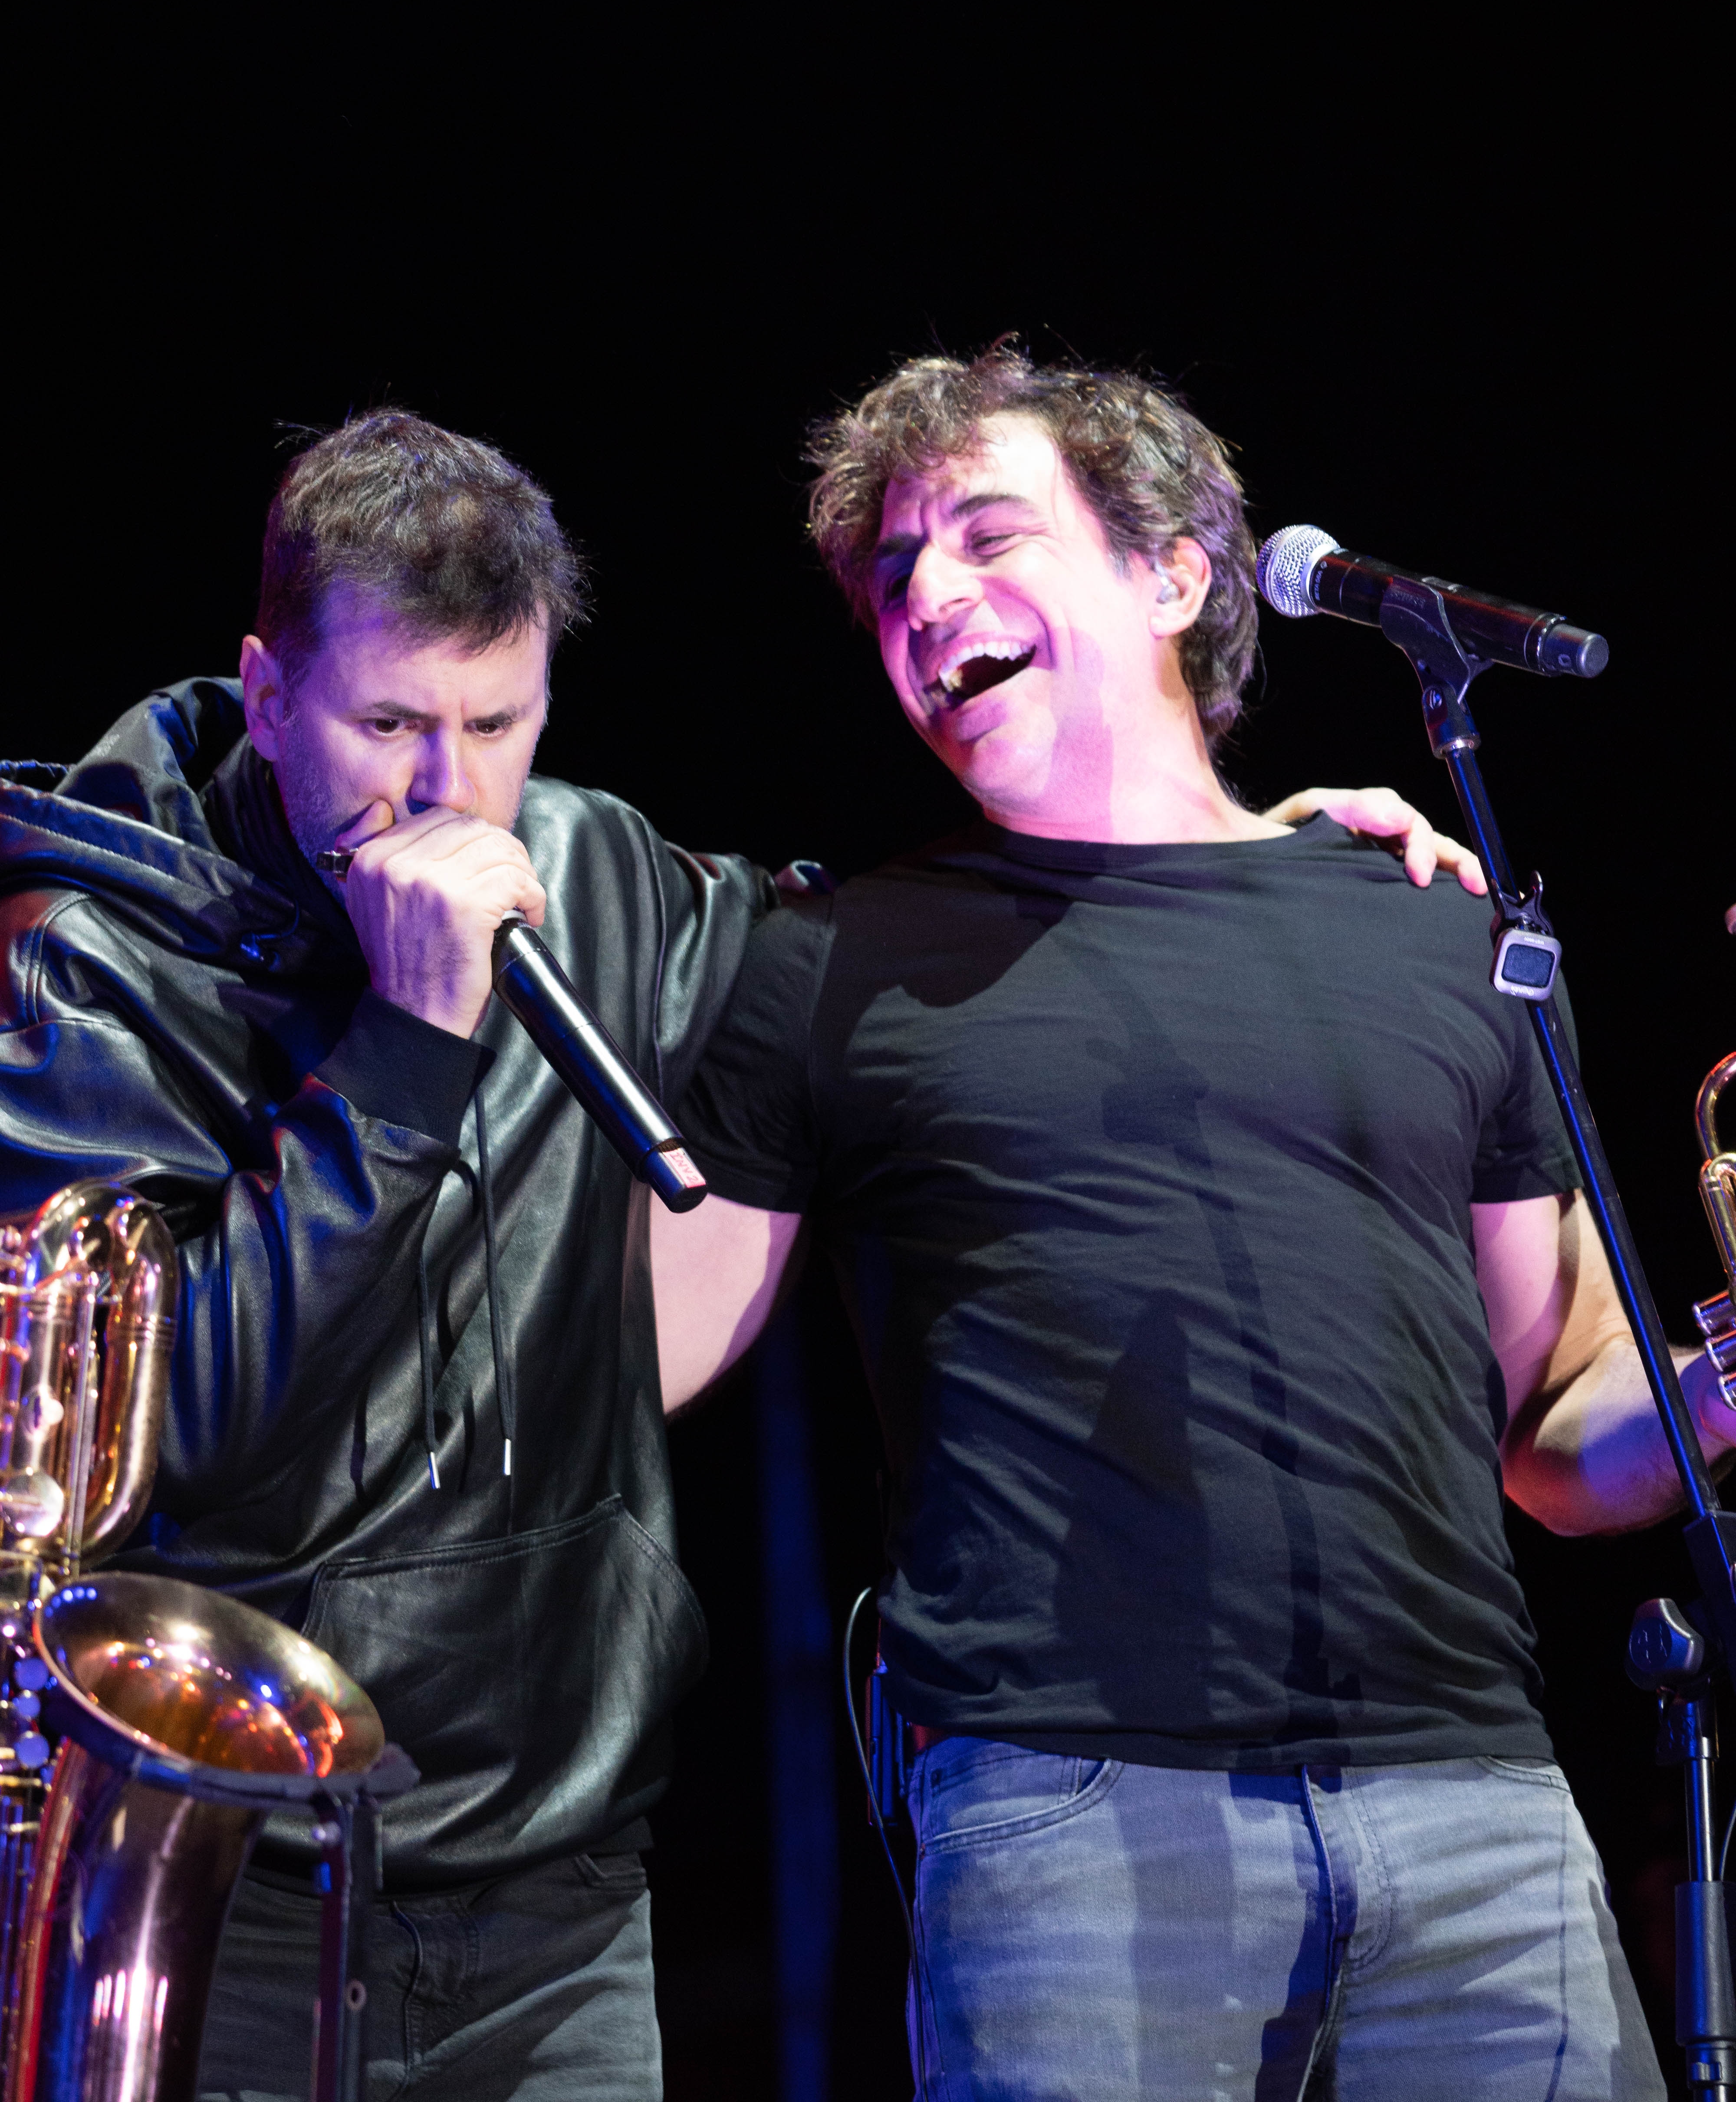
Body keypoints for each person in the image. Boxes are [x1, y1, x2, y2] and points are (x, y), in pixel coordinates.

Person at [0, 400, 1479, 2097]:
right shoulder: (91, 962)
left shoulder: (595, 875)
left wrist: (1228, 860)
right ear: (270, 696)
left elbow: (891, 973)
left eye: (495, 725)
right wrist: (403, 1055)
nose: (445, 790)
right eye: (386, 724)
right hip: (225, 1890)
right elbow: (153, 1429)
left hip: (554, 1901)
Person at [656, 345, 1716, 2100]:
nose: (927, 600)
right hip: (1072, 1817)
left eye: (988, 536)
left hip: (1477, 1809)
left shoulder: (1434, 930)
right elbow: (635, 1351)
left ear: (1171, 572)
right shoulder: (834, 961)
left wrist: (1730, 1369)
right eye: (895, 575)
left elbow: (1558, 1438)